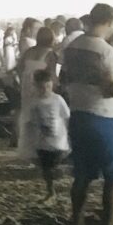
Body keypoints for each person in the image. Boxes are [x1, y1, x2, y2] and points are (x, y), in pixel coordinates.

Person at [61, 3, 113, 225]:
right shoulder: (107, 52)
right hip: (105, 117)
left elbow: (64, 77)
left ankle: (77, 223)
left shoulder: (72, 47)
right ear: (111, 22)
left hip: (78, 115)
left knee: (82, 174)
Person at [15, 27, 60, 165]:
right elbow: (52, 74)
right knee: (42, 116)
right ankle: (40, 148)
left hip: (27, 86)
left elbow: (19, 68)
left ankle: (27, 149)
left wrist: (24, 80)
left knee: (28, 116)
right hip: (41, 87)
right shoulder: (50, 54)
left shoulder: (29, 51)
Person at [31, 69, 70, 200]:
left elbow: (66, 116)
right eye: (42, 87)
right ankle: (50, 190)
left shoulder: (58, 99)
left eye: (48, 86)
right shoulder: (35, 102)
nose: (45, 90)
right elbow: (33, 121)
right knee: (46, 168)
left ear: (52, 84)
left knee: (56, 161)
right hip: (42, 142)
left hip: (58, 140)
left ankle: (57, 180)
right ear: (36, 86)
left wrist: (68, 135)